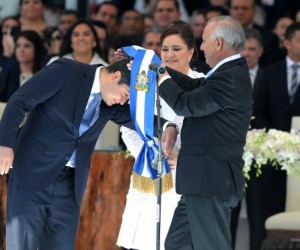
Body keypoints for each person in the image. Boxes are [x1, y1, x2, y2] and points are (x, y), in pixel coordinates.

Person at [0, 58, 157, 249]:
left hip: (70, 184)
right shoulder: (65, 71)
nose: (125, 101)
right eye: (126, 94)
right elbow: (19, 101)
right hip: (32, 175)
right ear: (115, 77)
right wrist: (5, 144)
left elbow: (148, 123)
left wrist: (171, 125)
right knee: (22, 245)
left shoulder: (113, 103)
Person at [157, 15, 252, 249]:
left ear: (218, 43)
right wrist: (157, 70)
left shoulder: (229, 77)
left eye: (205, 40)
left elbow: (185, 104)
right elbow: (192, 86)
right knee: (176, 246)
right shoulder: (227, 74)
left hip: (209, 179)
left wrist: (160, 79)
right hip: (200, 181)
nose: (201, 47)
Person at [117, 23, 204, 250]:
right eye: (165, 49)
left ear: (191, 51)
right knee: (143, 239)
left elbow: (211, 132)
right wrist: (155, 155)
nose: (169, 55)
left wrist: (183, 155)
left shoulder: (202, 84)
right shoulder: (146, 82)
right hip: (150, 170)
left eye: (176, 49)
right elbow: (129, 127)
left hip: (187, 173)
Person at [249, 22, 300, 250]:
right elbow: (257, 111)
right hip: (272, 155)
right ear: (286, 42)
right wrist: (278, 140)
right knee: (264, 215)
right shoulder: (270, 72)